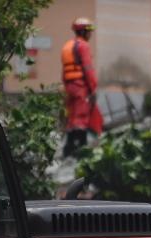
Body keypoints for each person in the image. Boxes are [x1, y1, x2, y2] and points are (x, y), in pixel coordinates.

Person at [61, 17, 101, 157]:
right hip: (80, 86)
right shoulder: (83, 46)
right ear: (83, 32)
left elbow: (65, 72)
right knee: (81, 117)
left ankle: (68, 148)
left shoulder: (68, 46)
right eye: (89, 31)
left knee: (72, 118)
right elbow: (88, 69)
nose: (90, 34)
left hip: (69, 87)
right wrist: (93, 88)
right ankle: (81, 149)